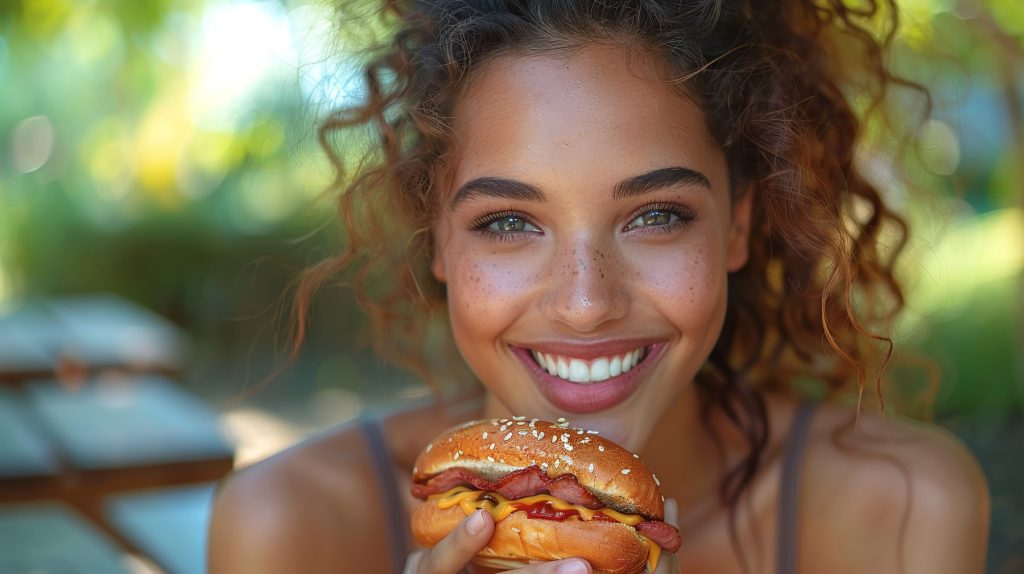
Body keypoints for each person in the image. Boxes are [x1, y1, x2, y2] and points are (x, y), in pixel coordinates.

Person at [208, 1, 991, 572]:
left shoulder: (901, 507)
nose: (586, 304)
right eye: (509, 223)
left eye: (655, 215)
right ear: (439, 238)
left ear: (740, 226)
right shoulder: (290, 527)